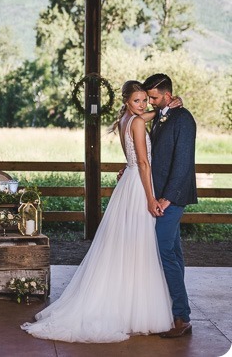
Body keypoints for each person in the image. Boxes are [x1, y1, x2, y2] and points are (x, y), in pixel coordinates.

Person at [21, 80, 173, 343]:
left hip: (128, 185)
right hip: (138, 187)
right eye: (137, 100)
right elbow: (145, 163)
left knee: (126, 246)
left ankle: (126, 305)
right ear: (127, 101)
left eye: (145, 100)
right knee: (138, 245)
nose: (143, 105)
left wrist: (165, 108)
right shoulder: (137, 122)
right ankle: (132, 309)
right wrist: (151, 198)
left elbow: (148, 119)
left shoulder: (127, 119)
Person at [142, 73, 197, 339]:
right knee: (173, 251)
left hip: (172, 198)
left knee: (165, 253)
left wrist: (169, 197)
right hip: (161, 193)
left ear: (167, 94)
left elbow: (183, 161)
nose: (150, 102)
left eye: (154, 97)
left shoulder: (183, 119)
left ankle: (182, 318)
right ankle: (174, 310)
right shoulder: (163, 116)